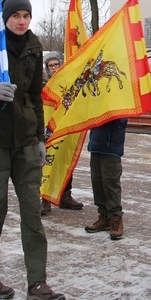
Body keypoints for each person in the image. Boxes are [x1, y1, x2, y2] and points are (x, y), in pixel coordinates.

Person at [0, 0, 65, 300]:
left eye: (25, 15)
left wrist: (39, 137)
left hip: (25, 142)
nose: (21, 21)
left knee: (32, 216)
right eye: (15, 16)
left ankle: (37, 283)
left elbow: (35, 96)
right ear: (5, 18)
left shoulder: (35, 46)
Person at [40, 52, 84, 216]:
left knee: (65, 161)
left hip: (64, 128)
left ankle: (65, 196)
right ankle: (44, 199)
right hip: (47, 130)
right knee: (47, 163)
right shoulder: (43, 86)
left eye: (56, 64)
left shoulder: (68, 84)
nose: (53, 68)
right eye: (50, 65)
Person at [84, 118, 129, 240]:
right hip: (96, 142)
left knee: (110, 182)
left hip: (112, 144)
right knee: (97, 181)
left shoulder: (119, 99)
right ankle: (103, 216)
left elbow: (122, 117)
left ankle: (115, 218)